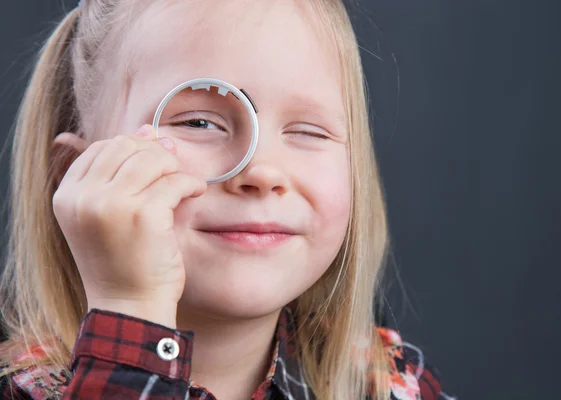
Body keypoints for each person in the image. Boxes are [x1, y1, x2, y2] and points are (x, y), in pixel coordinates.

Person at [0, 1, 451, 399]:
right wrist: (131, 309)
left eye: (308, 131)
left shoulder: (389, 385)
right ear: (73, 177)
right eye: (198, 122)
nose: (262, 172)